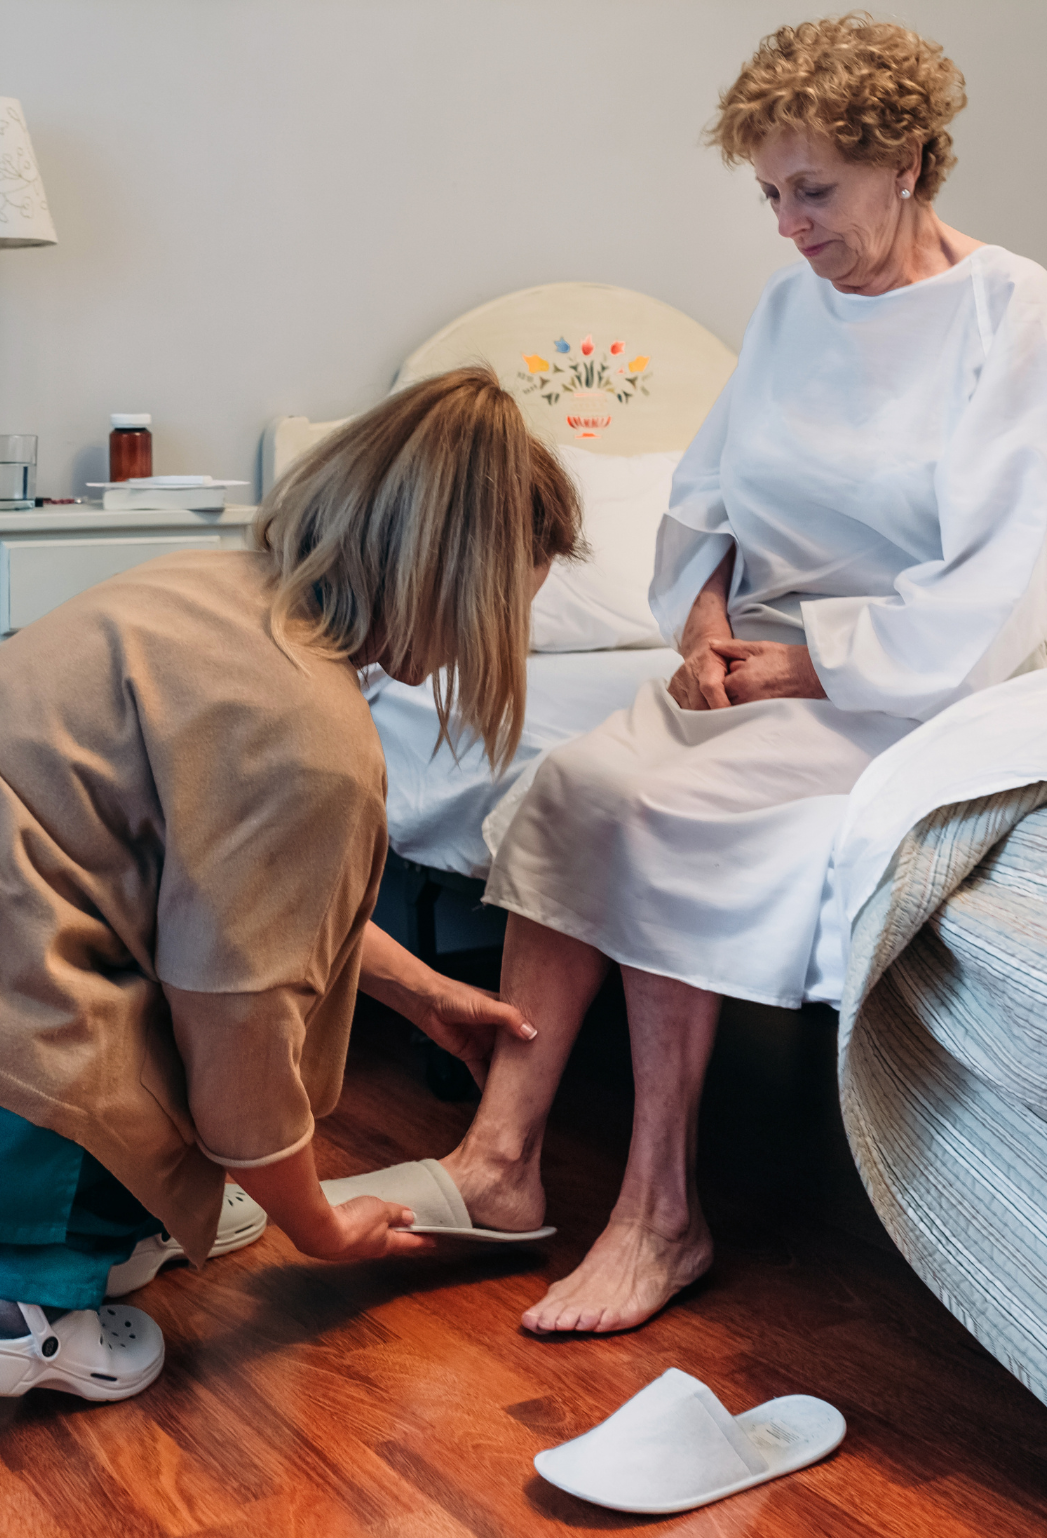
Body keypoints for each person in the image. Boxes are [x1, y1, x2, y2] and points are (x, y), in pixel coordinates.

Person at [431, 15, 1047, 1334]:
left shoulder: (1011, 312)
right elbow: (708, 492)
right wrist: (703, 618)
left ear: (910, 162)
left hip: (895, 686)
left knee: (666, 818)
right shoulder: (787, 306)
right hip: (748, 662)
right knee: (568, 786)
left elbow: (994, 585)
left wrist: (798, 666)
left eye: (811, 191)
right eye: (768, 193)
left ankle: (662, 1213)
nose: (785, 226)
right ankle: (500, 1157)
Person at [0, 366, 581, 1400]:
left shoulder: (207, 590)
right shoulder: (310, 738)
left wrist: (422, 989)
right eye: (499, 613)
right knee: (182, 1048)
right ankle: (22, 1309)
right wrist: (319, 1220)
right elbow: (239, 1008)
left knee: (178, 1052)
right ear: (450, 584)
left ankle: (109, 1216)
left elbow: (227, 892)